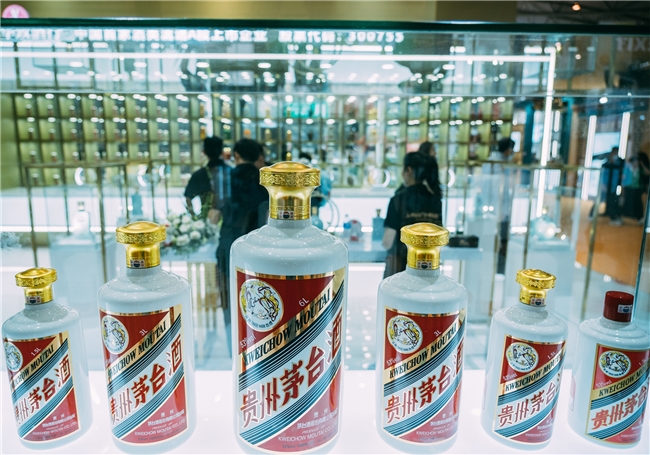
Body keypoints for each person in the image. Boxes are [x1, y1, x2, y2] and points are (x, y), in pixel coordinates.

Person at [216, 139, 268, 355]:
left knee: (230, 304)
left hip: (227, 247)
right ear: (259, 157)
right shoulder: (265, 179)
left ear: (236, 155)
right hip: (258, 252)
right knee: (259, 302)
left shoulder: (225, 177)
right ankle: (257, 352)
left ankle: (234, 353)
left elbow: (214, 215)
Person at [382, 152, 443, 278]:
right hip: (429, 271)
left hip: (402, 271)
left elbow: (387, 242)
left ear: (409, 170)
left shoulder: (398, 200)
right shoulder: (436, 201)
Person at [482, 137, 515, 274]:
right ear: (508, 149)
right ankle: (497, 267)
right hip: (498, 206)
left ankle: (492, 265)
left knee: (494, 236)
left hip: (492, 207)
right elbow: (498, 188)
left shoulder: (492, 161)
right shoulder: (499, 163)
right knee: (500, 237)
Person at [184, 136, 231, 224]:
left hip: (206, 223)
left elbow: (188, 198)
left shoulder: (199, 175)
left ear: (204, 152)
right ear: (222, 152)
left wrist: (195, 218)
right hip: (230, 222)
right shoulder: (231, 172)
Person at [593, 147, 625, 225]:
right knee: (600, 200)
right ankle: (592, 215)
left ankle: (613, 217)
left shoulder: (619, 163)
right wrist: (603, 184)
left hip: (613, 186)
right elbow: (604, 175)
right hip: (605, 185)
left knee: (612, 201)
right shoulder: (606, 163)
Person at [622, 152, 650, 224]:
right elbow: (623, 178)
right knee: (628, 201)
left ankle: (639, 217)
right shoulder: (628, 169)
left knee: (638, 203)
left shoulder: (640, 169)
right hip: (629, 187)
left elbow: (648, 173)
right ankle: (627, 215)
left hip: (638, 188)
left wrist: (642, 165)